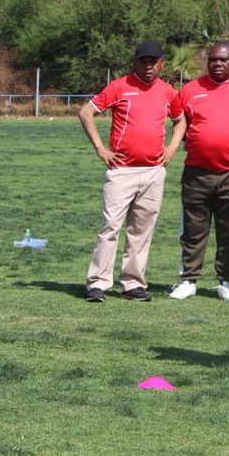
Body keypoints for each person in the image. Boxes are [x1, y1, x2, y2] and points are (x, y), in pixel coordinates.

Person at [79, 40, 183, 303]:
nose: (149, 67)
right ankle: (98, 283)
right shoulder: (120, 86)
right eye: (144, 61)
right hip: (121, 171)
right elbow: (86, 112)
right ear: (135, 63)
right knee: (110, 226)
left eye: (154, 61)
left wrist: (172, 147)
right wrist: (100, 148)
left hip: (153, 172)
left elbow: (180, 120)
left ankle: (133, 283)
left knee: (141, 229)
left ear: (162, 64)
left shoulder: (168, 91)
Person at [167, 40, 229, 301]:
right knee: (193, 230)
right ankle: (188, 280)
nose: (218, 63)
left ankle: (227, 281)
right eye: (213, 59)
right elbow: (180, 125)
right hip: (197, 173)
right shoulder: (190, 90)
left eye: (223, 59)